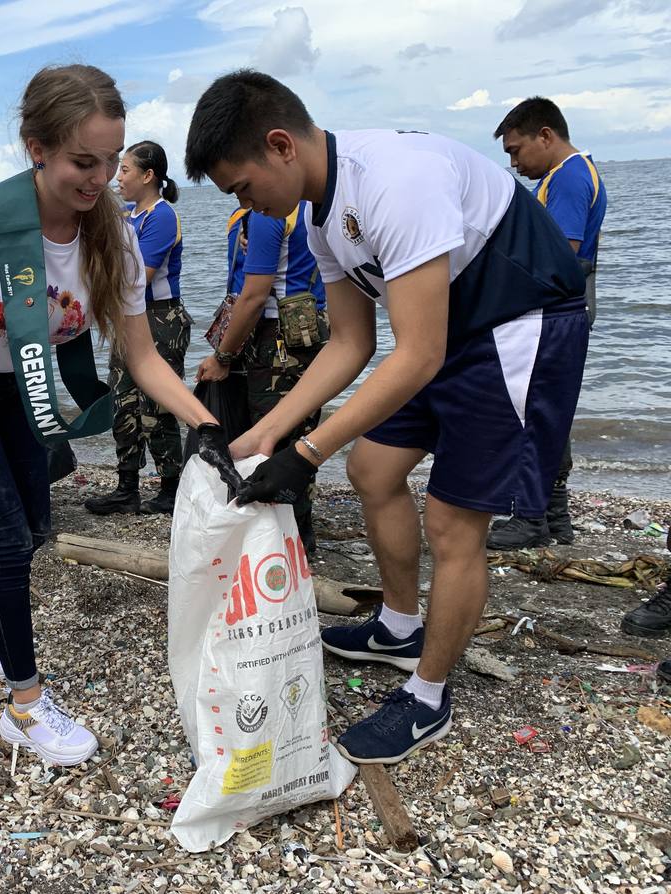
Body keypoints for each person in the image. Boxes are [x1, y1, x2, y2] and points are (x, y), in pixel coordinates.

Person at [185, 70, 588, 765]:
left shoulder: (394, 180)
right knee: (372, 467)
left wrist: (305, 456)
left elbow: (419, 351)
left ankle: (429, 696)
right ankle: (400, 627)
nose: (246, 206)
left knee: (455, 520)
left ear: (280, 145)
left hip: (517, 323)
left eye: (243, 188)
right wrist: (268, 432)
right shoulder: (317, 219)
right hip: (447, 332)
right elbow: (352, 342)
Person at [0, 65, 241, 767]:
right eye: (83, 161)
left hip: (13, 388)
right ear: (36, 147)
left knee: (34, 528)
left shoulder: (117, 237)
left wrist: (206, 424)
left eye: (111, 160)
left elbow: (142, 355)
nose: (101, 178)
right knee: (9, 542)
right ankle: (25, 707)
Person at [489, 97, 607, 552]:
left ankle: (531, 515)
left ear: (546, 135)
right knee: (548, 408)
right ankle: (555, 516)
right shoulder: (567, 176)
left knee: (533, 409)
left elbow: (559, 252)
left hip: (554, 309)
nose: (515, 162)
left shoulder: (571, 177)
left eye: (517, 150)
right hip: (565, 306)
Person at [197, 204, 327, 551]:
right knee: (299, 430)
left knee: (271, 435)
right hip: (308, 330)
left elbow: (254, 295)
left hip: (277, 337)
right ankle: (299, 529)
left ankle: (287, 537)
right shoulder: (308, 207)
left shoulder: (269, 213)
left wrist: (222, 355)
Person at [83, 141, 189, 516]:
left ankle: (170, 487)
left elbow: (137, 277)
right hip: (128, 316)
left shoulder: (162, 216)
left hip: (160, 319)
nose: (119, 177)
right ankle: (126, 486)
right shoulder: (128, 215)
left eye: (125, 169)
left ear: (148, 176)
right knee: (123, 401)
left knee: (158, 405)